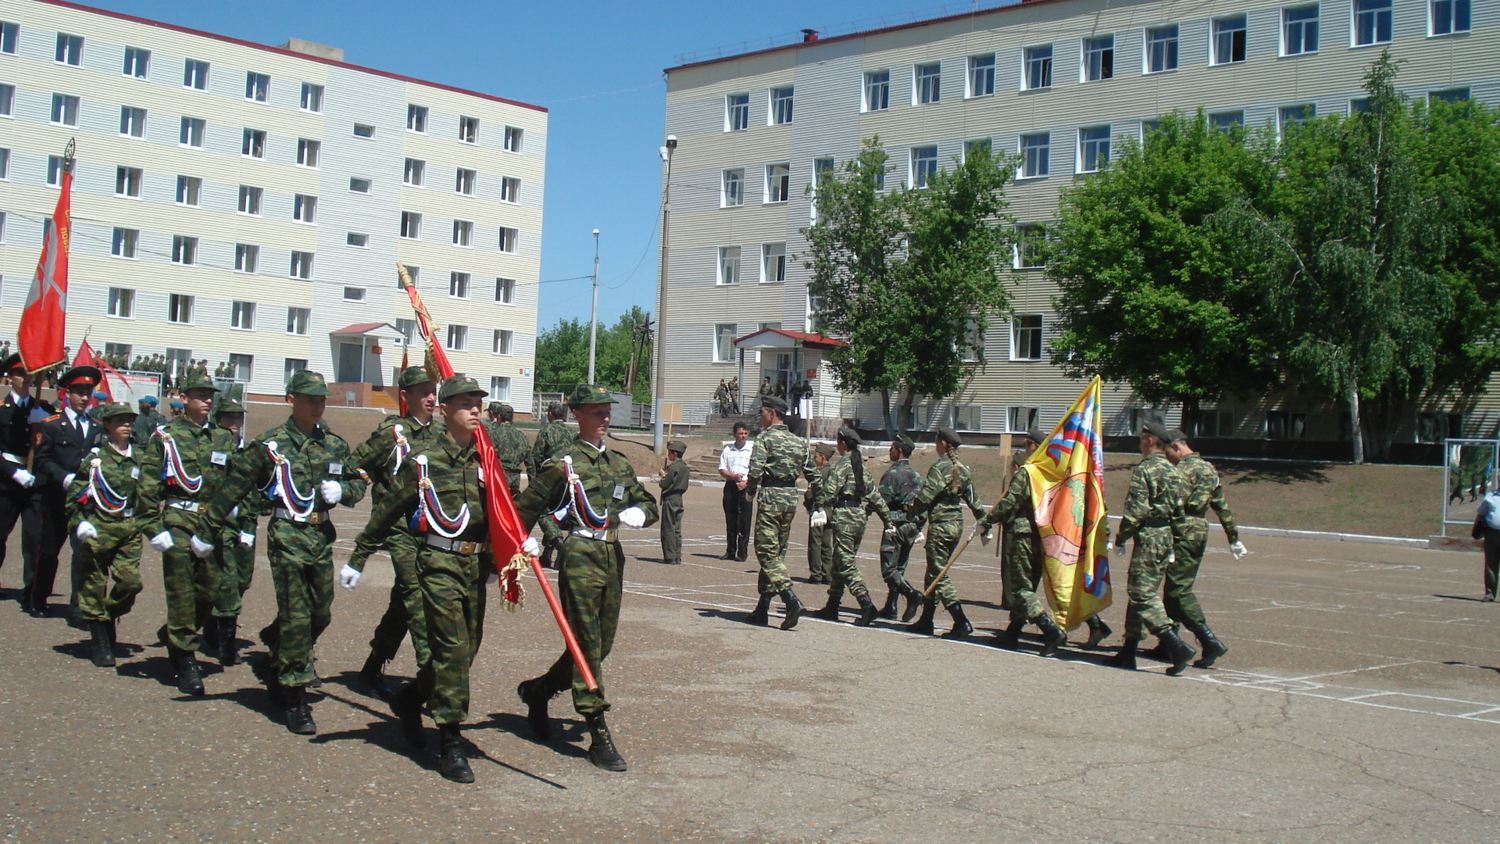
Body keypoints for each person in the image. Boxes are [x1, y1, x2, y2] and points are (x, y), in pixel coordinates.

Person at [195, 370, 367, 734]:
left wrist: (344, 491)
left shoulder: (333, 444)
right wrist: (208, 529)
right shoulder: (270, 444)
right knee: (297, 615)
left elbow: (355, 483)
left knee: (320, 613)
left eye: (321, 399)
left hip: (320, 535)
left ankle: (277, 646)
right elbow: (236, 485)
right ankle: (294, 696)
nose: (317, 405)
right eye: (309, 399)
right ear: (291, 400)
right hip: (286, 533)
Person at [348, 375, 493, 783]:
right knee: (448, 651)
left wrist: (514, 550)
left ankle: (412, 697)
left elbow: (501, 512)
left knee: (466, 652)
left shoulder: (486, 461)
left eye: (478, 402)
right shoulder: (424, 460)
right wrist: (358, 556)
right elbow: (390, 509)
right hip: (438, 564)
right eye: (465, 403)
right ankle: (449, 739)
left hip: (474, 566)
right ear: (445, 410)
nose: (475, 409)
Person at [514, 384, 659, 773]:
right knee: (587, 641)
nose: (605, 418)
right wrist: (519, 542)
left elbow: (645, 502)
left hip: (612, 554)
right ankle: (597, 729)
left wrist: (642, 514)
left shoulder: (618, 462)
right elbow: (525, 507)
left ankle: (539, 691)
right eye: (596, 413)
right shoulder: (564, 463)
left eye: (607, 412)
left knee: (601, 643)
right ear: (577, 415)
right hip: (579, 554)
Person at [345, 367, 446, 699]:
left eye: (433, 391)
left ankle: (373, 665)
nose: (430, 397)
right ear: (405, 397)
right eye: (422, 392)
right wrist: (364, 490)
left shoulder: (441, 434)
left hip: (432, 529)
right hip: (400, 530)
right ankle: (430, 682)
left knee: (403, 603)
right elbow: (356, 464)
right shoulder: (393, 432)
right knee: (418, 601)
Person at [137, 372, 237, 695]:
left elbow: (234, 479)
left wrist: (238, 513)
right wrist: (153, 528)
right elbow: (149, 483)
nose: (207, 400)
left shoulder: (223, 438)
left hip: (211, 523)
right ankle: (185, 660)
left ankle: (176, 633)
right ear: (184, 397)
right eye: (199, 395)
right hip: (178, 518)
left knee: (211, 589)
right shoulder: (165, 436)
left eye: (210, 395)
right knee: (181, 589)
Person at [1107, 420, 1196, 675]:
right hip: (1166, 535)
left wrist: (1123, 536)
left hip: (1149, 535)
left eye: (1140, 439)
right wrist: (1175, 541)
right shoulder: (1173, 469)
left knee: (1141, 594)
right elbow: (1180, 510)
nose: (1139, 444)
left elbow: (1136, 510)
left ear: (1148, 441)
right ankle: (1128, 651)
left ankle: (1175, 644)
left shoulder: (1147, 469)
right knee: (1142, 593)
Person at [974, 424, 1069, 656]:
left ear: (1034, 447)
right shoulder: (1052, 474)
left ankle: (1049, 629)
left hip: (1023, 534)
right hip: (1043, 534)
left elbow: (1009, 503)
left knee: (1020, 588)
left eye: (1026, 445)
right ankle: (1012, 633)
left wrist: (987, 520)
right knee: (1027, 585)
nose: (1024, 449)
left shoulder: (1028, 472)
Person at [65, 402, 143, 668]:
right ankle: (99, 639)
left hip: (130, 527)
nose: (126, 425)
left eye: (129, 421)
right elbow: (74, 496)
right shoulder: (96, 459)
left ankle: (107, 616)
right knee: (94, 584)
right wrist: (80, 524)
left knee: (130, 583)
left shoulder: (140, 458)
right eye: (119, 421)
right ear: (107, 425)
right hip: (100, 526)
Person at [1163, 429, 1245, 668]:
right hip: (1199, 530)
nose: (1167, 457)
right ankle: (1169, 643)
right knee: (1172, 589)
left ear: (1176, 447)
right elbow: (1221, 505)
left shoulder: (1181, 470)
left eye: (1167, 451)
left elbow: (1172, 504)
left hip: (1182, 531)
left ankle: (1209, 641)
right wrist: (1233, 538)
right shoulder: (1209, 468)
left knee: (1179, 590)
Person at [34, 364, 104, 627]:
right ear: (67, 394)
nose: (84, 397)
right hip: (56, 498)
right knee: (49, 551)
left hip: (83, 501)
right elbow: (42, 460)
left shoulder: (97, 427)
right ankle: (39, 597)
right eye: (79, 392)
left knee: (82, 554)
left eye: (88, 392)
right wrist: (63, 477)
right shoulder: (51, 425)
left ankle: (78, 608)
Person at [741, 396, 814, 629]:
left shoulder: (765, 438)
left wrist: (750, 492)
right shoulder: (799, 442)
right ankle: (762, 608)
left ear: (772, 413)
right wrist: (819, 502)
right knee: (777, 552)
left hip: (771, 496)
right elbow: (813, 473)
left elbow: (755, 469)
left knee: (765, 550)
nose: (760, 417)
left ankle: (790, 599)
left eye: (762, 412)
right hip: (790, 499)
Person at [905, 427, 984, 638]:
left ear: (942, 444)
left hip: (940, 525)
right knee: (933, 571)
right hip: (955, 524)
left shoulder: (940, 468)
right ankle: (926, 621)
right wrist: (985, 523)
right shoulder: (963, 469)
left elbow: (926, 496)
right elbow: (974, 501)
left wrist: (911, 512)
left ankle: (961, 620)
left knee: (939, 574)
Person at [810, 427, 892, 625]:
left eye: (838, 441)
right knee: (840, 563)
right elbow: (874, 496)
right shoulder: (860, 466)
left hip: (844, 517)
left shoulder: (843, 465)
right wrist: (887, 520)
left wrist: (817, 505)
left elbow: (830, 492)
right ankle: (832, 606)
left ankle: (867, 605)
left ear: (843, 443)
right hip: (858, 517)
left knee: (846, 563)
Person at [0, 354, 53, 609]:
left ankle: (31, 593)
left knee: (35, 539)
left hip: (34, 481)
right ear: (9, 377)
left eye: (28, 373)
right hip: (5, 482)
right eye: (19, 373)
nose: (25, 378)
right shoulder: (1, 409)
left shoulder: (41, 408)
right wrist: (12, 471)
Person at [209, 396, 258, 667]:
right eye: (229, 418)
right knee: (227, 583)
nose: (234, 423)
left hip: (243, 525)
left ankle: (210, 621)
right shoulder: (212, 448)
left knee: (241, 580)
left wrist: (249, 525)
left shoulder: (247, 450)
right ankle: (226, 644)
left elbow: (253, 490)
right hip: (218, 526)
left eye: (238, 418)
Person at [876, 434, 924, 621]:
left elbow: (881, 499)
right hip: (911, 524)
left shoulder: (893, 473)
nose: (890, 451)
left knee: (889, 569)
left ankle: (912, 595)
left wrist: (869, 510)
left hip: (895, 523)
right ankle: (891, 605)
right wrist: (919, 526)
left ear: (900, 450)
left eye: (892, 448)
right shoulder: (916, 475)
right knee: (900, 568)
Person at [529, 401, 574, 568]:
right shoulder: (572, 433)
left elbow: (536, 457)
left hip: (551, 478)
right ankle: (547, 554)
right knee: (558, 514)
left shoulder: (546, 432)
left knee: (543, 512)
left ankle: (558, 543)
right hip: (570, 478)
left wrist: (535, 480)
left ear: (550, 414)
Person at [718, 422, 753, 561]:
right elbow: (722, 469)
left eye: (745, 433)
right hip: (731, 486)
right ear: (734, 434)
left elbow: (757, 471)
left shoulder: (751, 450)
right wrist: (733, 476)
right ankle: (730, 551)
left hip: (746, 486)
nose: (742, 436)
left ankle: (742, 552)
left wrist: (746, 482)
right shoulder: (728, 450)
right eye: (740, 433)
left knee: (744, 521)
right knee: (731, 520)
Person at [804, 442, 835, 584]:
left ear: (823, 457)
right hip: (831, 511)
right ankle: (827, 574)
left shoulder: (819, 473)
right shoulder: (833, 472)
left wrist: (808, 502)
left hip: (818, 510)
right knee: (827, 544)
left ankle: (816, 574)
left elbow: (811, 493)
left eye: (816, 456)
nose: (814, 459)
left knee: (815, 543)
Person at [484, 402, 530, 498]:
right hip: (515, 478)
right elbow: (530, 462)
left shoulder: (494, 434)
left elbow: (486, 455)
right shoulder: (521, 436)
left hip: (499, 476)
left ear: (499, 416)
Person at [658, 440, 689, 564]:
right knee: (676, 528)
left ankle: (670, 556)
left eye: (670, 453)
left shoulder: (673, 468)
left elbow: (664, 483)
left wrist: (663, 475)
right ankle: (677, 555)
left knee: (668, 528)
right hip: (679, 498)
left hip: (670, 498)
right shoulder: (684, 467)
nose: (668, 456)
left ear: (675, 454)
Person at [1473, 484, 1500, 601]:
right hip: (1492, 534)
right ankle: (1489, 593)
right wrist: (1475, 529)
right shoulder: (1490, 496)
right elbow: (1481, 514)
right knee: (1490, 564)